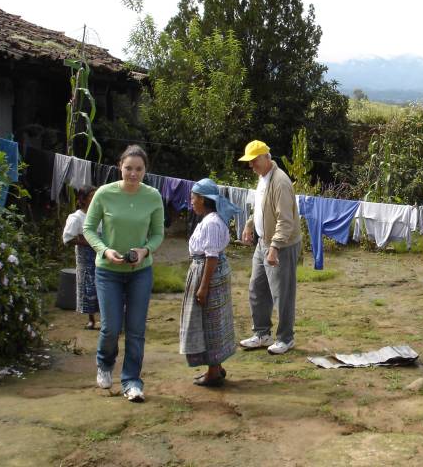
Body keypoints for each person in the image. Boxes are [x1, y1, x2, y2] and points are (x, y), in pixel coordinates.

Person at [83, 145, 164, 403]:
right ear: (120, 166)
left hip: (140, 271)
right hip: (108, 271)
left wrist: (145, 251)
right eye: (128, 168)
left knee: (136, 329)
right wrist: (105, 251)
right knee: (110, 327)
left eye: (138, 169)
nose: (133, 173)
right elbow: (89, 228)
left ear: (145, 170)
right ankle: (105, 364)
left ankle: (131, 381)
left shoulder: (153, 196)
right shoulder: (105, 194)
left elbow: (157, 234)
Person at [237, 140, 302, 355]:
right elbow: (261, 208)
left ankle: (286, 338)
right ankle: (262, 334)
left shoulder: (280, 182)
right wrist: (249, 224)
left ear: (266, 157)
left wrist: (274, 247)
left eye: (254, 161)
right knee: (257, 288)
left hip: (281, 244)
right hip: (263, 242)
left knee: (281, 293)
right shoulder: (263, 178)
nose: (251, 165)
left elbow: (285, 220)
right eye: (249, 162)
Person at [179, 178, 240, 387]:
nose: (191, 201)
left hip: (208, 274)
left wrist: (203, 287)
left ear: (203, 199)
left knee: (210, 321)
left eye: (193, 197)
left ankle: (213, 371)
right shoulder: (209, 219)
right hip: (207, 271)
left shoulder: (212, 222)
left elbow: (211, 256)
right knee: (213, 319)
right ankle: (217, 366)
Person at [62, 186, 99, 329]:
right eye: (92, 196)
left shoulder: (100, 214)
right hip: (86, 257)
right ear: (83, 199)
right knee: (88, 286)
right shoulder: (77, 217)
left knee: (104, 285)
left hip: (102, 255)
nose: (95, 198)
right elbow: (67, 239)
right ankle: (92, 319)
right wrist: (87, 242)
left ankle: (108, 318)